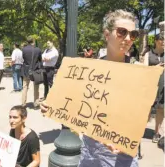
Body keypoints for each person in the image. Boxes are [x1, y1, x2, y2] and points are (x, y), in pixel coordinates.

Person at [40, 9, 140, 167]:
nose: (128, 39)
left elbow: (142, 116)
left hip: (122, 156)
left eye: (133, 34)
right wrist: (52, 105)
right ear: (107, 35)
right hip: (90, 154)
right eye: (122, 32)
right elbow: (75, 107)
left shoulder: (139, 72)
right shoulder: (88, 70)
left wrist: (121, 137)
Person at [144, 33, 164, 143]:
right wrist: (155, 68)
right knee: (147, 109)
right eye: (162, 40)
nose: (164, 42)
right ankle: (139, 129)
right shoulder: (148, 54)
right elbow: (144, 70)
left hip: (163, 87)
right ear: (156, 41)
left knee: (161, 110)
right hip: (151, 86)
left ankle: (156, 133)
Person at [22, 36, 42, 108]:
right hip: (35, 70)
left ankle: (23, 103)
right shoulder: (38, 50)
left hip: (26, 70)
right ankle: (36, 103)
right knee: (36, 87)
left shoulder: (24, 49)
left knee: (25, 87)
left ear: (27, 41)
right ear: (33, 41)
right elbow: (40, 60)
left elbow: (23, 59)